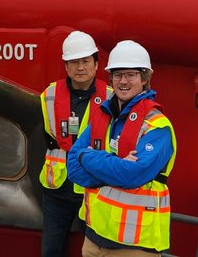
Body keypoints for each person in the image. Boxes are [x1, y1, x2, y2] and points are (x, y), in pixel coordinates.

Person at [67, 41, 176, 256]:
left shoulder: (158, 126)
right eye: (118, 75)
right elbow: (72, 165)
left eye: (131, 75)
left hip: (134, 246)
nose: (123, 81)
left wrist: (87, 157)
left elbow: (132, 175)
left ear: (145, 79)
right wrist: (110, 164)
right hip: (93, 238)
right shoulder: (101, 117)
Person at [39, 30, 112, 257]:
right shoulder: (49, 94)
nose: (80, 67)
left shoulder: (111, 98)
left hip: (94, 187)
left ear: (96, 64)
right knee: (51, 249)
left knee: (95, 251)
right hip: (57, 189)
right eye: (74, 62)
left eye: (85, 61)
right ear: (66, 67)